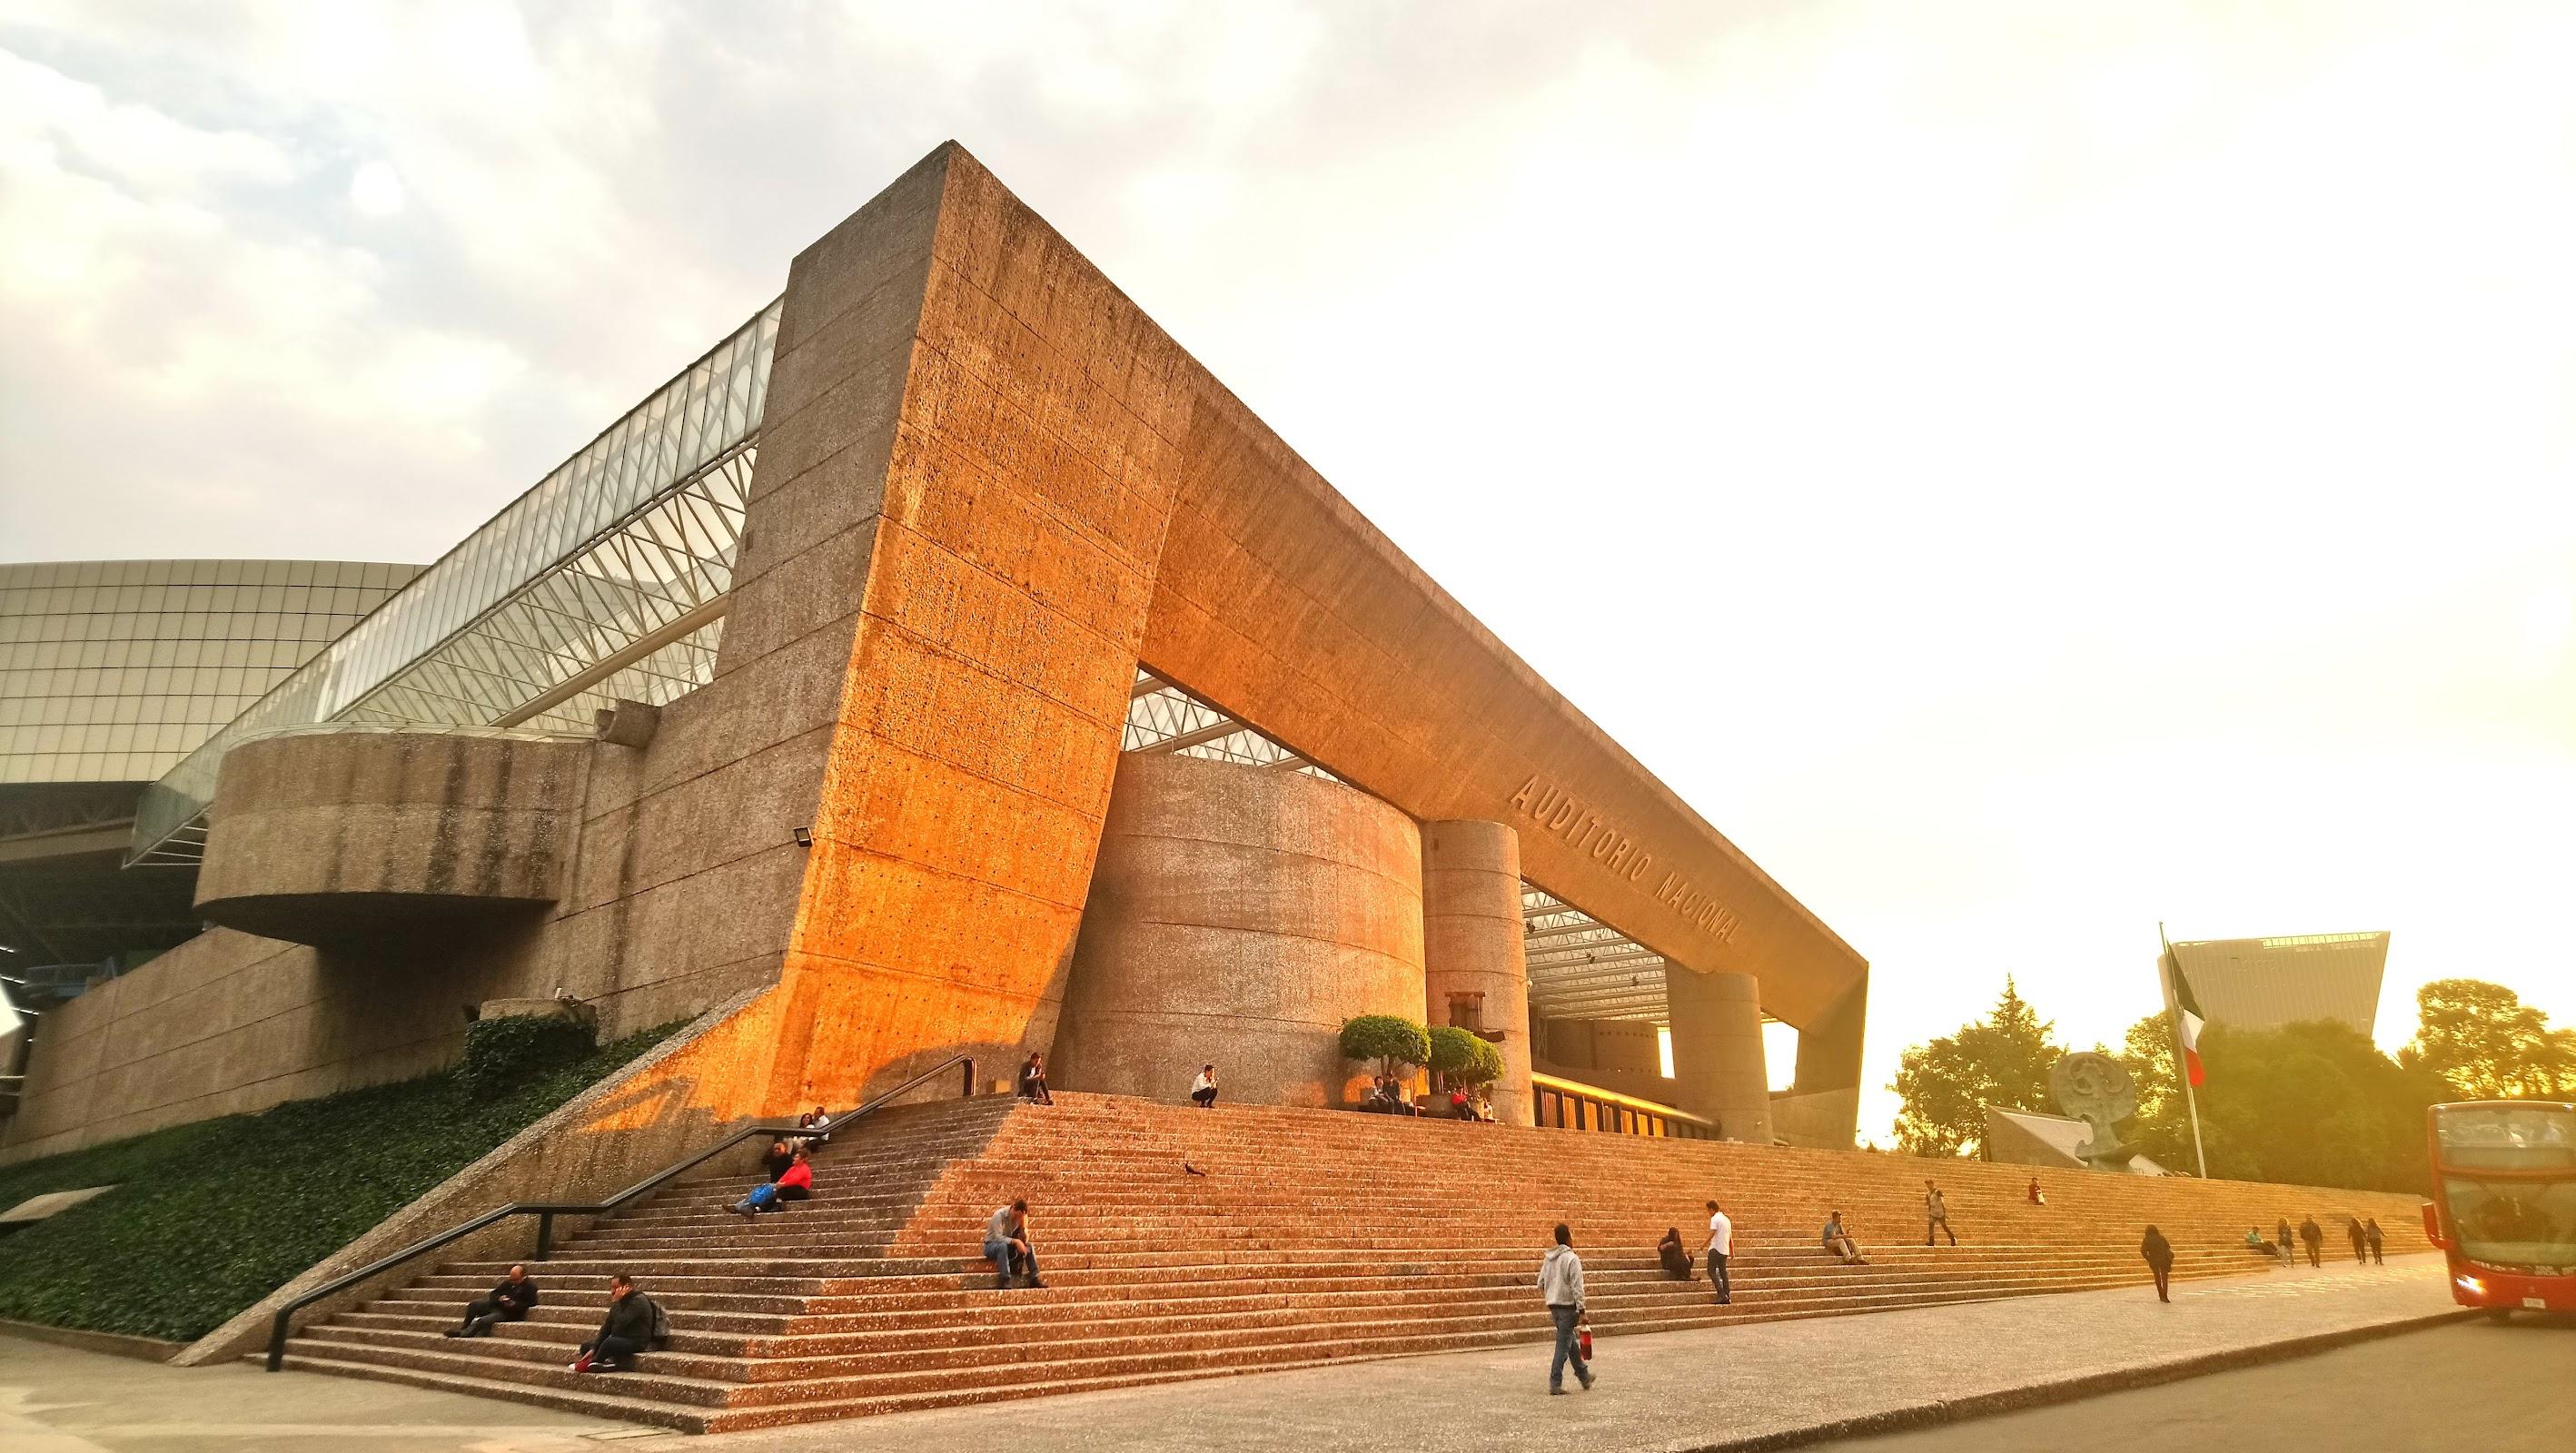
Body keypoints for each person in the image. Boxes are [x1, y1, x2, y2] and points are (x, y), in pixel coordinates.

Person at [1538, 1223, 1592, 1395]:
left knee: (1569, 1341)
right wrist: (1582, 1311)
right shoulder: (1572, 1259)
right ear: (1569, 1238)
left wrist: (1553, 1289)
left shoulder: (1549, 1258)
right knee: (1563, 1345)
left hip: (1554, 1306)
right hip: (1568, 1307)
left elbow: (1540, 1283)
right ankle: (1555, 1382)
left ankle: (1584, 1375)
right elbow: (1577, 1286)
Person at [570, 1273, 656, 1373]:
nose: (612, 1291)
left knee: (609, 1343)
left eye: (615, 1287)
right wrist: (594, 1348)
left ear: (627, 1287)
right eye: (612, 1288)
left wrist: (616, 1302)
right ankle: (604, 1361)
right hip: (620, 1338)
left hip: (636, 1341)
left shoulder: (638, 1300)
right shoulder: (619, 1302)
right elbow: (607, 1327)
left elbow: (621, 1322)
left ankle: (594, 1363)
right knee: (586, 1346)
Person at [446, 1262, 539, 1339]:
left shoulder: (530, 1287)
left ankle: (465, 1333)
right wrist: (499, 1298)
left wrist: (514, 1304)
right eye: (511, 1279)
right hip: (496, 1305)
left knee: (482, 1320)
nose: (513, 1282)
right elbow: (494, 1293)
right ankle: (464, 1327)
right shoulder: (507, 1283)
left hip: (507, 1313)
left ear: (524, 1277)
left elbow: (531, 1303)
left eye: (516, 1280)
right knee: (474, 1305)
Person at [729, 1146, 814, 1216]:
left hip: (800, 1191)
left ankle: (752, 1207)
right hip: (789, 1188)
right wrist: (778, 1183)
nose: (794, 1158)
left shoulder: (804, 1168)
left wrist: (782, 1184)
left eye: (796, 1157)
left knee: (776, 1190)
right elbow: (784, 1177)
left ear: (802, 1159)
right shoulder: (792, 1169)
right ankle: (747, 1207)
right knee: (763, 1188)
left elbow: (795, 1180)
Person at [985, 1198, 1044, 1289]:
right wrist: (1015, 1241)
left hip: (1008, 1245)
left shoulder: (1020, 1219)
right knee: (1002, 1246)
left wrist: (1023, 1228)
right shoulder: (999, 1215)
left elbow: (1024, 1241)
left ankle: (1034, 1277)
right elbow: (998, 1237)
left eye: (1021, 1217)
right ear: (1014, 1209)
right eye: (1017, 1216)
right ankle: (1005, 1279)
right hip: (991, 1245)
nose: (1018, 1218)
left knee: (1029, 1246)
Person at [1705, 1199, 1734, 1305]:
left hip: (1715, 1248)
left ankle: (1721, 1294)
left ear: (1712, 1209)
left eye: (1708, 1211)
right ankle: (1727, 1295)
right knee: (1723, 1272)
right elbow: (1730, 1237)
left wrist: (1703, 1244)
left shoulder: (1715, 1219)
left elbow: (1713, 1233)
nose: (1708, 1213)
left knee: (1711, 1270)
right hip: (1724, 1250)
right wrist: (1732, 1250)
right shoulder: (1727, 1220)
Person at [2141, 1225, 2175, 1303]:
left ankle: (2161, 1295)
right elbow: (2168, 1246)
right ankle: (2165, 1295)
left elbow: (2143, 1251)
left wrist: (2148, 1258)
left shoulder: (2147, 1240)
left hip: (2154, 1260)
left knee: (2157, 1278)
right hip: (2164, 1260)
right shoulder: (2161, 1238)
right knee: (2164, 1278)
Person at [1923, 1180, 1957, 1246]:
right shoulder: (1928, 1194)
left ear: (1932, 1184)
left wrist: (1944, 1210)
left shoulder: (1937, 1191)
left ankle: (1952, 1238)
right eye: (1927, 1185)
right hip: (1932, 1213)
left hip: (1940, 1213)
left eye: (1929, 1184)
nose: (1928, 1186)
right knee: (1931, 1224)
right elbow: (1928, 1203)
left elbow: (1942, 1200)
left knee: (1944, 1226)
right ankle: (1931, 1241)